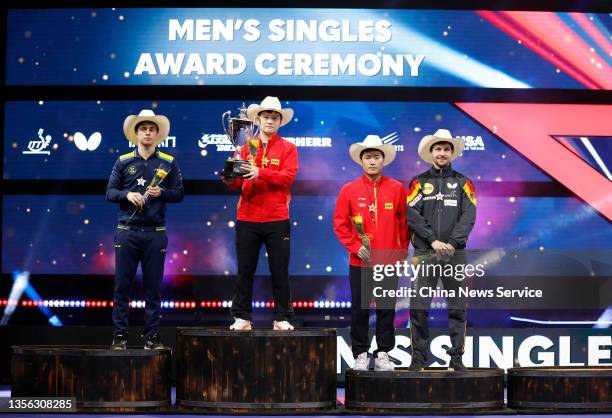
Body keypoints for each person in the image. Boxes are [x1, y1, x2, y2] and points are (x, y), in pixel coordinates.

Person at [106, 109, 184, 350]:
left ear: (157, 134)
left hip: (155, 232)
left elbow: (179, 193)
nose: (148, 133)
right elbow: (109, 192)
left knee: (153, 288)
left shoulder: (168, 162)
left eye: (152, 129)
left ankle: (151, 336)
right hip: (127, 232)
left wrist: (163, 192)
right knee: (122, 287)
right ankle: (120, 336)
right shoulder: (123, 161)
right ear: (136, 134)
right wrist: (127, 194)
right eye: (143, 129)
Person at [334, 135, 409, 371]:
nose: (372, 161)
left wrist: (401, 251)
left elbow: (405, 223)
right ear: (361, 161)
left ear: (383, 160)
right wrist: (355, 247)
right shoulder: (349, 190)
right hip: (360, 262)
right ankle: (360, 353)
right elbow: (340, 224)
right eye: (368, 157)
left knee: (386, 308)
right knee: (360, 308)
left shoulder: (397, 188)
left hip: (388, 261)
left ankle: (384, 352)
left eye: (377, 157)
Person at [223, 96, 298, 331]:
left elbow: (288, 177)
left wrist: (260, 172)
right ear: (258, 120)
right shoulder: (244, 146)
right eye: (265, 117)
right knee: (245, 269)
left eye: (274, 117)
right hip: (247, 217)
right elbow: (235, 185)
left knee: (280, 270)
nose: (269, 121)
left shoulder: (289, 148)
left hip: (277, 218)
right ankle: (242, 317)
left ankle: (282, 317)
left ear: (279, 122)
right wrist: (229, 175)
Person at [406, 129, 476, 371]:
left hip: (455, 255)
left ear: (452, 153)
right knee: (419, 307)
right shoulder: (417, 182)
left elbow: (469, 216)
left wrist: (453, 243)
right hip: (425, 253)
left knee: (458, 307)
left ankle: (456, 358)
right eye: (438, 149)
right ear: (431, 152)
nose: (442, 153)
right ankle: (418, 358)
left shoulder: (464, 183)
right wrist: (433, 241)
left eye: (446, 149)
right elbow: (412, 215)